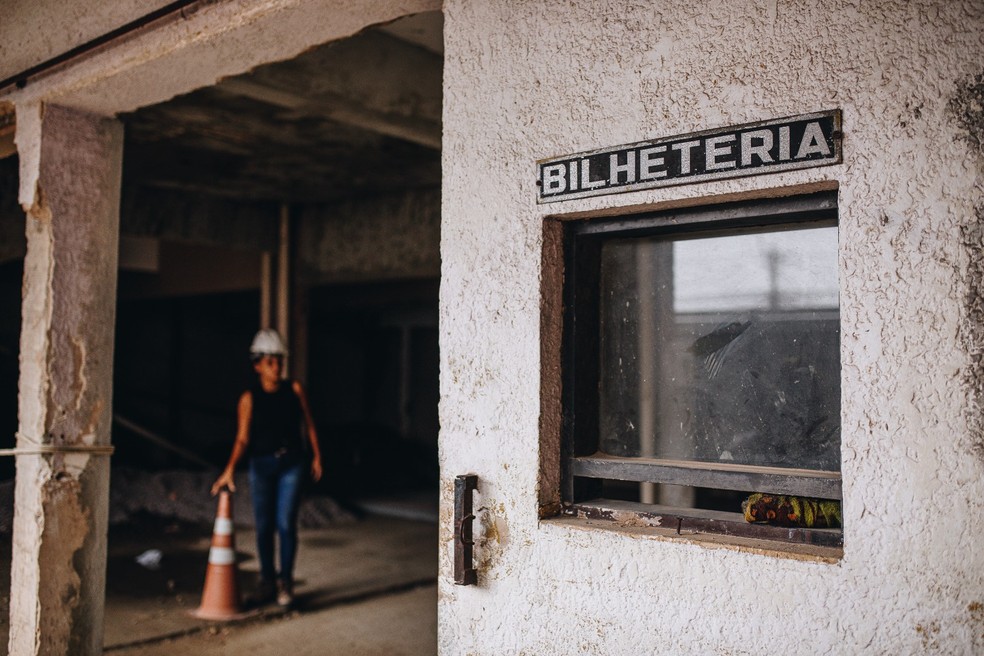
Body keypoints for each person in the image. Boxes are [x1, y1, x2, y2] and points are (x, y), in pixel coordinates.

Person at [211, 328, 322, 607]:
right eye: (270, 361)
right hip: (260, 465)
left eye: (280, 361)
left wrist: (317, 456)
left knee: (285, 524)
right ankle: (267, 582)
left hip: (291, 464)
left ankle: (286, 582)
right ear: (258, 365)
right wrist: (228, 469)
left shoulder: (294, 390)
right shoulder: (248, 399)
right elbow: (242, 438)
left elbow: (308, 424)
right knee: (263, 527)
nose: (277, 367)